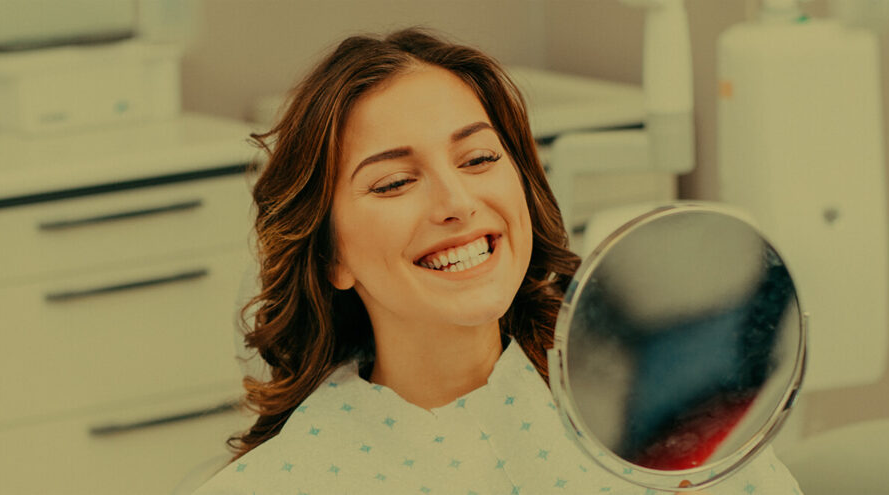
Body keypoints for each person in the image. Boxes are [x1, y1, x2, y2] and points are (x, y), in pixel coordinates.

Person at [195, 28, 802, 494]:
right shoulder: (283, 482)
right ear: (331, 256)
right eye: (394, 183)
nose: (456, 203)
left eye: (479, 159)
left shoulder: (662, 422)